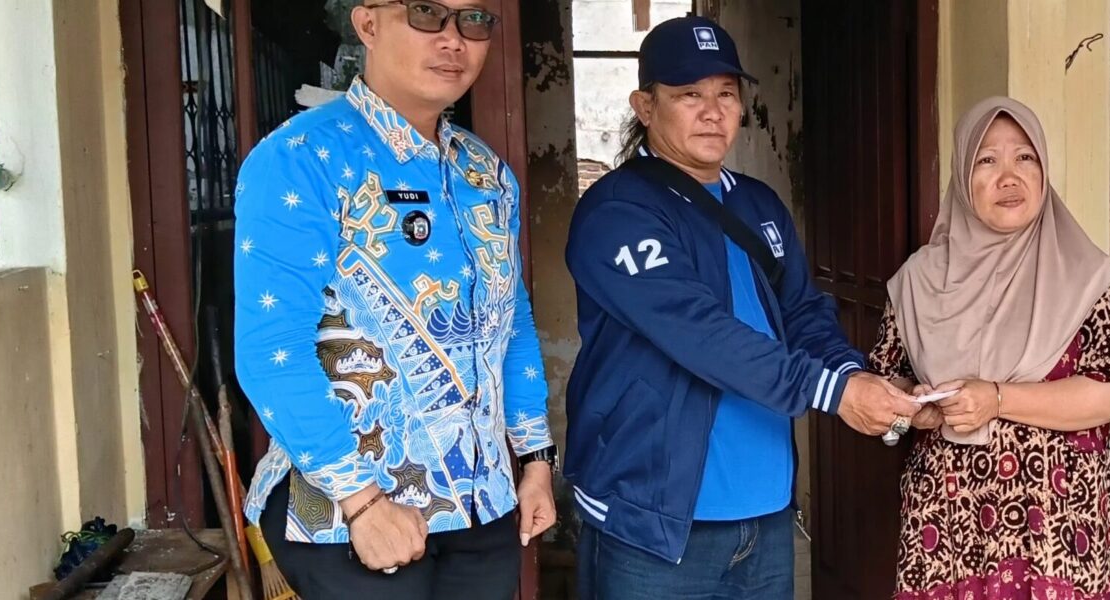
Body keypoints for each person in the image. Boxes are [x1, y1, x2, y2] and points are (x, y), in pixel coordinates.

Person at [563, 16, 919, 600]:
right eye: (689, 94)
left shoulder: (758, 204)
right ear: (645, 106)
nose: (712, 112)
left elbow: (801, 311)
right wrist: (834, 393)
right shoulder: (617, 211)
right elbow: (700, 333)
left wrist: (854, 375)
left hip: (766, 515)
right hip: (653, 519)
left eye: (726, 94)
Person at [232, 1, 556, 597]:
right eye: (428, 13)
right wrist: (362, 502)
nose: (454, 39)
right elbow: (270, 352)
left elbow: (512, 325)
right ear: (368, 25)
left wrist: (535, 459)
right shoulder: (302, 159)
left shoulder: (485, 172)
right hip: (349, 519)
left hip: (482, 507)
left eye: (474, 21)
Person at [870, 97, 1110, 599]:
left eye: (1024, 157)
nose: (1009, 177)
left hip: (1058, 530)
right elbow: (887, 385)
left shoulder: (1086, 277)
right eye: (986, 160)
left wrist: (996, 399)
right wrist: (915, 409)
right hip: (947, 528)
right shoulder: (916, 282)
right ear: (962, 176)